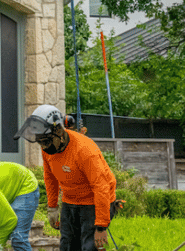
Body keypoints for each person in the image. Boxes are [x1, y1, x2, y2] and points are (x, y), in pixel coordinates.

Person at [15, 104, 117, 251]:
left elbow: (101, 187)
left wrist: (101, 226)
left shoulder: (85, 151)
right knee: (67, 246)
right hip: (70, 200)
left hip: (94, 201)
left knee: (89, 247)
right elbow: (50, 176)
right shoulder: (48, 150)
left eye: (46, 141)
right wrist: (52, 207)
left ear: (59, 132)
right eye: (40, 142)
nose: (43, 147)